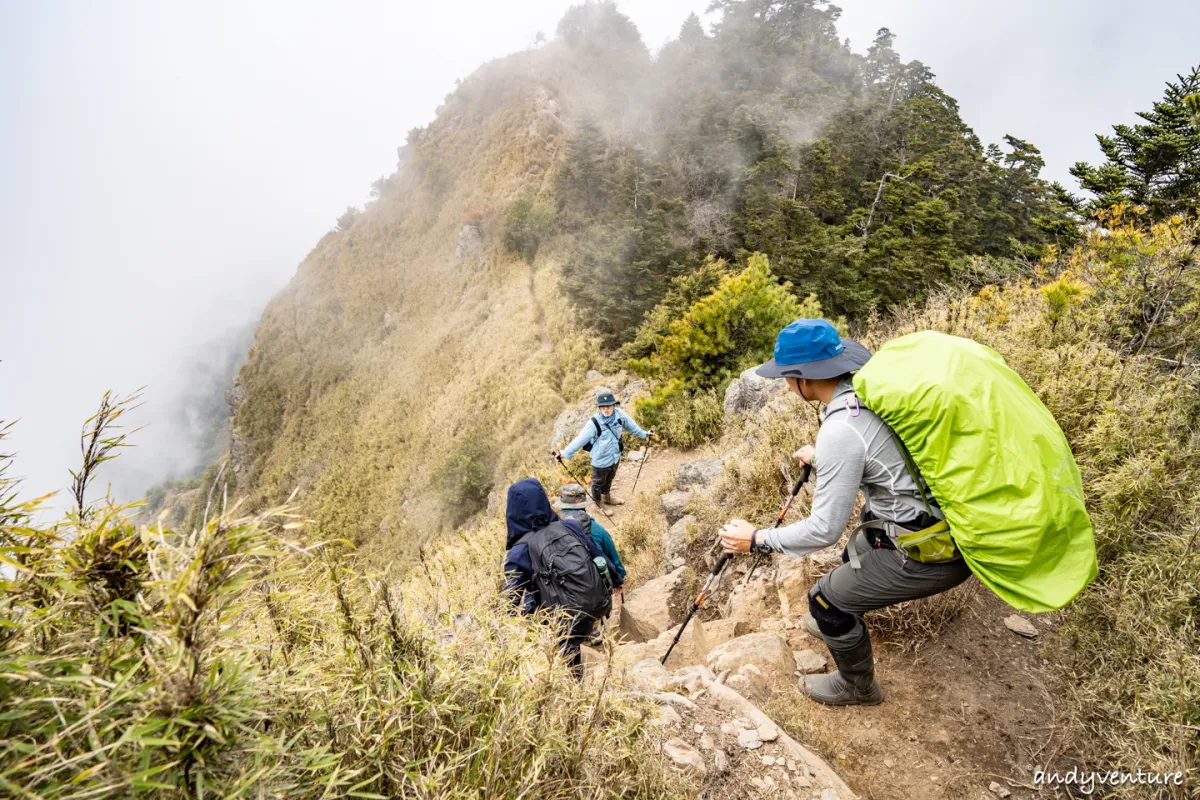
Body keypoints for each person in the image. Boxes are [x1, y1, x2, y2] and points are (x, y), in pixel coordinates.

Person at [717, 319, 974, 706]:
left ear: (804, 378)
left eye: (787, 375)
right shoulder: (870, 394)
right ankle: (841, 621)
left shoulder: (840, 429)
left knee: (824, 601)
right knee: (849, 558)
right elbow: (881, 455)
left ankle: (858, 687)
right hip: (939, 522)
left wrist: (756, 539)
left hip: (929, 551)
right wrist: (823, 458)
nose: (786, 384)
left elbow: (824, 529)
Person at [502, 478, 623, 677]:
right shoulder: (569, 527)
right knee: (572, 649)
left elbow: (508, 602)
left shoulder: (519, 552)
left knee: (563, 656)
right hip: (591, 606)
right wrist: (617, 580)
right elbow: (597, 555)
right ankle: (581, 680)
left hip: (558, 621)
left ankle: (575, 691)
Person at [554, 391, 652, 506]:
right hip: (600, 460)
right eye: (603, 407)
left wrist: (645, 434)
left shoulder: (620, 415)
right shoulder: (594, 423)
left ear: (614, 406)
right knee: (597, 483)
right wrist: (564, 453)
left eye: (608, 406)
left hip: (615, 456)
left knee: (610, 478)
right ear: (599, 408)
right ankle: (598, 504)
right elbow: (579, 440)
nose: (606, 409)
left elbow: (632, 427)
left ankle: (607, 498)